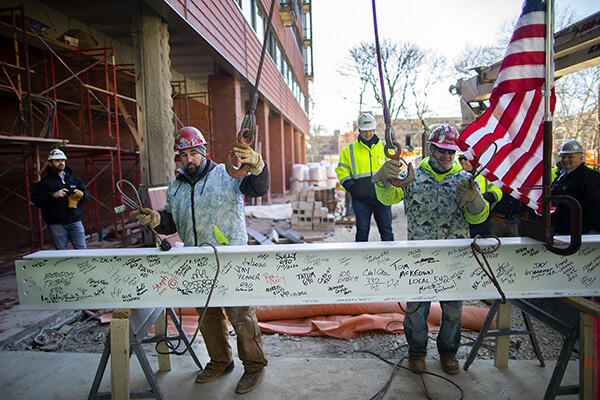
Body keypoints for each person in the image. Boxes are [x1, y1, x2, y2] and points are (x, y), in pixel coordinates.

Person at [131, 126, 269, 394]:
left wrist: (258, 165)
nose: (189, 159)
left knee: (240, 315)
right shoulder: (175, 188)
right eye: (183, 154)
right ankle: (220, 361)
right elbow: (170, 219)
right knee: (207, 315)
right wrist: (158, 220)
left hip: (230, 257)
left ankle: (254, 367)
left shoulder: (226, 174)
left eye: (194, 152)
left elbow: (257, 187)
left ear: (203, 151)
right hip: (197, 259)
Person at [374, 125, 489, 375]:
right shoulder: (414, 177)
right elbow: (387, 198)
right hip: (419, 257)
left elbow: (479, 218)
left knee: (453, 310)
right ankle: (417, 352)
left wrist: (474, 200)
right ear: (431, 149)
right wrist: (383, 178)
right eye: (442, 151)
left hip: (453, 258)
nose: (447, 157)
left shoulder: (465, 180)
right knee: (416, 309)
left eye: (451, 152)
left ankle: (448, 353)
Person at [336, 112, 394, 242]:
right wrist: (353, 189)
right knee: (362, 231)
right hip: (360, 199)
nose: (367, 134)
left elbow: (395, 168)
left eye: (370, 131)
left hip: (383, 198)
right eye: (364, 131)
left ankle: (391, 259)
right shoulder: (349, 150)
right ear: (359, 130)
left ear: (374, 129)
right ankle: (360, 260)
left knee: (386, 231)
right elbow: (342, 171)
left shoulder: (385, 147)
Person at [32, 149, 89, 250]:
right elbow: (37, 200)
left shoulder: (74, 180)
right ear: (50, 163)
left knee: (82, 250)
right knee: (61, 253)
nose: (61, 163)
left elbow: (86, 198)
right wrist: (53, 196)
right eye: (57, 160)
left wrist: (81, 195)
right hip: (56, 224)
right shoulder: (45, 183)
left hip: (75, 221)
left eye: (62, 160)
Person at [551, 139, 600, 235]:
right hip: (563, 231)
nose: (566, 160)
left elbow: (594, 207)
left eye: (570, 157)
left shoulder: (590, 177)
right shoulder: (561, 177)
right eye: (563, 157)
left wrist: (584, 230)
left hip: (581, 234)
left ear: (581, 158)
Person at [457, 152, 502, 237]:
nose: (462, 161)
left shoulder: (485, 175)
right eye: (460, 159)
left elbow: (498, 193)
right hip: (462, 220)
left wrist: (482, 197)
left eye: (465, 158)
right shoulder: (456, 176)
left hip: (481, 220)